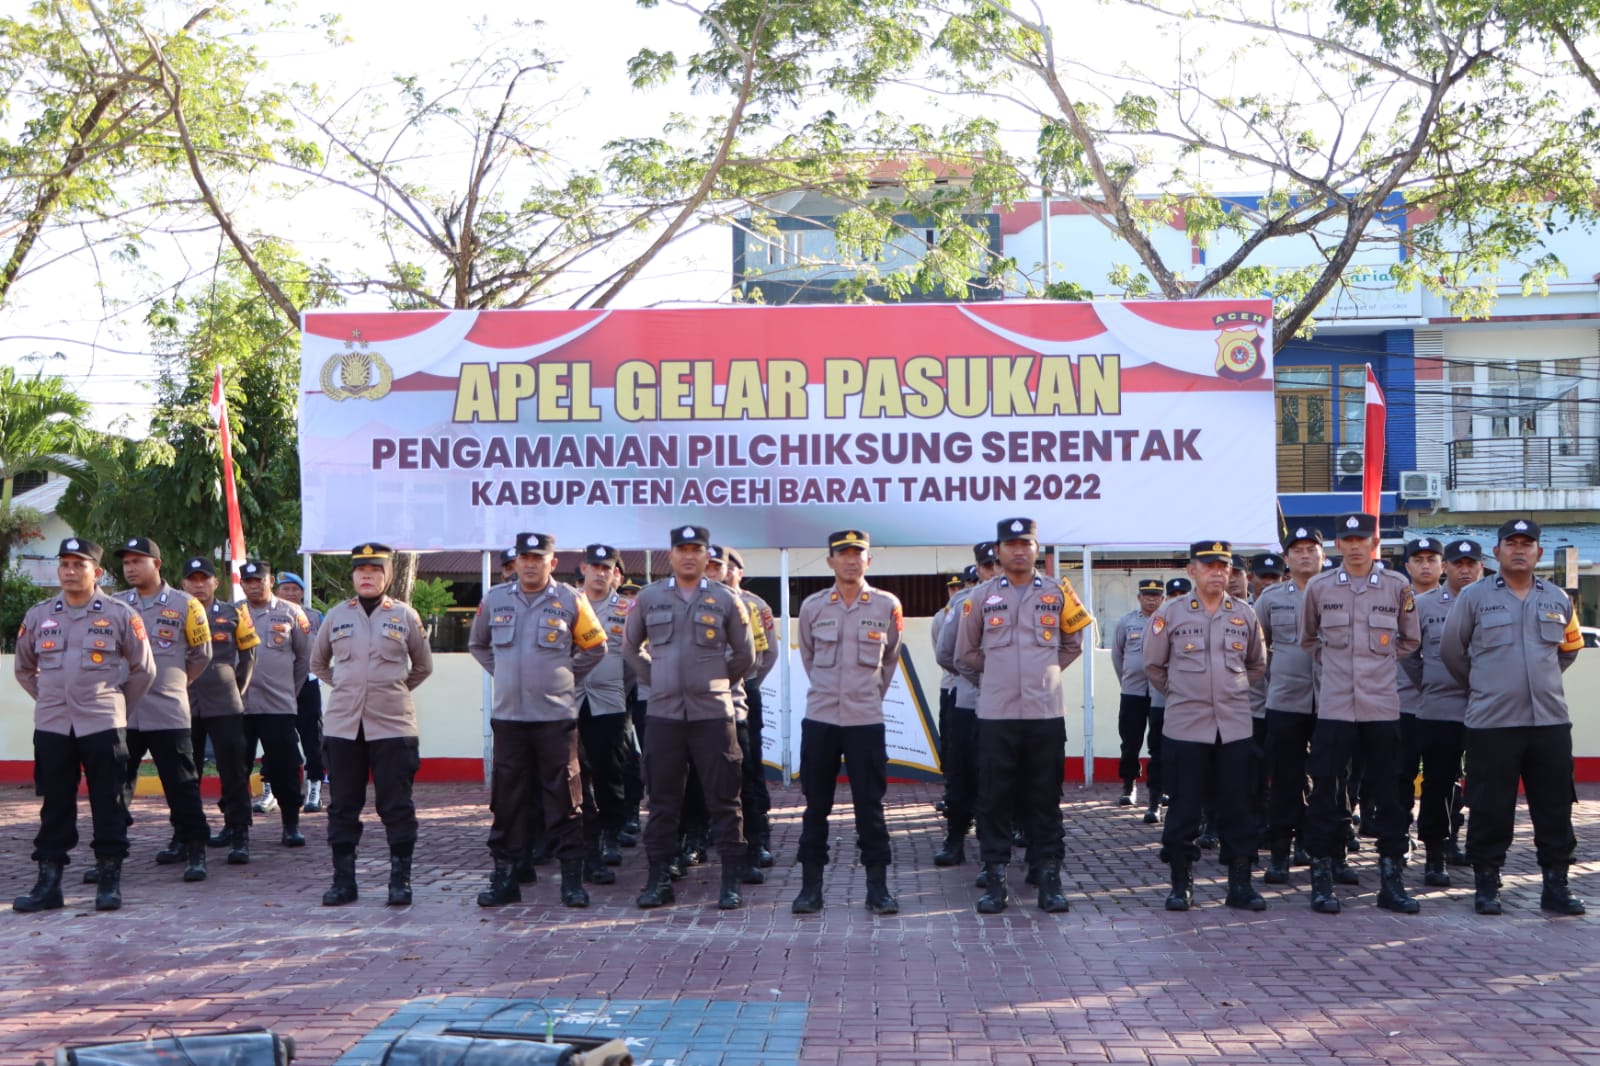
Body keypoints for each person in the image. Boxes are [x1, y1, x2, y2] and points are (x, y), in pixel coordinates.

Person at [1440, 518, 1585, 916]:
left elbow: (1569, 650)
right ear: (1498, 551)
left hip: (1550, 722)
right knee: (1490, 805)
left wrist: (1539, 682)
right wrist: (1489, 686)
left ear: (1538, 551)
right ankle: (1487, 885)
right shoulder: (1474, 597)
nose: (1519, 549)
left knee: (1555, 806)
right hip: (1492, 723)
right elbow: (1453, 652)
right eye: (1511, 543)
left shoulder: (1558, 598)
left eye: (1527, 543)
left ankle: (1556, 886)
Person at [955, 517, 1092, 914]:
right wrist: (999, 677)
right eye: (1010, 544)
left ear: (1037, 550)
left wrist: (1040, 673)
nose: (1018, 550)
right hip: (996, 714)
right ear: (997, 551)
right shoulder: (979, 598)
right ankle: (995, 879)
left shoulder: (1059, 593)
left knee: (1045, 798)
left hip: (1045, 712)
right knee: (994, 799)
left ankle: (1049, 876)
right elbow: (966, 653)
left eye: (1026, 543)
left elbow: (1073, 644)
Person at [13, 538, 156, 912]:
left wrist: (117, 705)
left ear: (98, 572)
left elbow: (144, 669)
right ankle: (49, 883)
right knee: (55, 804)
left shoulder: (121, 614)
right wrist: (49, 698)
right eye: (65, 564)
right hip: (53, 725)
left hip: (102, 722)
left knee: (107, 801)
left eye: (79, 565)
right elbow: (24, 669)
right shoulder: (39, 614)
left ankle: (108, 880)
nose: (71, 571)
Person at [469, 533, 607, 908]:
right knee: (507, 801)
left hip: (555, 719)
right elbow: (478, 644)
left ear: (553, 562)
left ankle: (572, 882)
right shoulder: (495, 599)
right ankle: (506, 878)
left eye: (538, 557)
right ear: (515, 562)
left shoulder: (570, 600)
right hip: (510, 719)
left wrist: (563, 674)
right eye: (524, 557)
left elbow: (596, 646)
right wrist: (504, 672)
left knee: (565, 796)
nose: (530, 564)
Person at [622, 524, 755, 910]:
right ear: (671, 555)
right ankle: (658, 879)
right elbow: (631, 648)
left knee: (725, 800)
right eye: (682, 549)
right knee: (662, 801)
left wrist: (713, 681)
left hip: (713, 713)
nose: (690, 555)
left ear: (706, 555)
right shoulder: (648, 598)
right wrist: (659, 679)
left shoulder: (727, 599)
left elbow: (745, 655)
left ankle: (730, 881)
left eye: (697, 549)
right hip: (663, 714)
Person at [1298, 512, 1422, 915]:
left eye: (1361, 539)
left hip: (1381, 707)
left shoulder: (1396, 585)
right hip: (1334, 707)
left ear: (1374, 542)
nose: (1354, 546)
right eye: (1347, 539)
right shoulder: (1318, 587)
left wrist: (1375, 664)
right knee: (1325, 794)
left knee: (1388, 795)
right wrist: (1338, 668)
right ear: (1337, 545)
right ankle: (1322, 878)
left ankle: (1391, 880)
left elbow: (1408, 640)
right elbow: (1309, 640)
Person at [1141, 540, 1268, 911]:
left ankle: (1240, 885)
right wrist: (1184, 694)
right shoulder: (1171, 613)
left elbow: (1257, 665)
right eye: (1209, 565)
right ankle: (1181, 884)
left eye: (1223, 566)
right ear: (1192, 570)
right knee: (1184, 807)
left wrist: (1228, 693)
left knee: (1238, 807)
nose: (1217, 572)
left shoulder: (1244, 614)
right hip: (1186, 728)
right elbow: (1153, 666)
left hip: (1234, 728)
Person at [310, 543, 434, 906]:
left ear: (388, 575)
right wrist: (350, 687)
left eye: (375, 570)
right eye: (361, 570)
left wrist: (390, 689)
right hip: (343, 726)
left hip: (393, 726)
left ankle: (400, 881)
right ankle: (343, 881)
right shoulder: (335, 616)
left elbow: (423, 666)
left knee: (396, 805)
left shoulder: (405, 616)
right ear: (352, 575)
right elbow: (319, 664)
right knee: (343, 805)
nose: (367, 576)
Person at [791, 530, 905, 915]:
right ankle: (810, 888)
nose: (851, 561)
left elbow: (889, 660)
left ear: (868, 561)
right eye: (843, 554)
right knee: (815, 806)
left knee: (870, 806)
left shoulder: (888, 605)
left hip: (865, 721)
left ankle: (878, 888)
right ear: (830, 562)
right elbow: (807, 655)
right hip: (821, 719)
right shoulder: (813, 606)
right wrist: (830, 691)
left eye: (859, 554)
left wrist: (867, 695)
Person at [112, 537, 213, 886]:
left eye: (137, 561)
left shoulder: (187, 605)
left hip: (168, 710)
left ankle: (194, 849)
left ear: (157, 563)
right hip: (125, 710)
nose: (130, 567)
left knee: (181, 784)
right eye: (126, 562)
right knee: (115, 786)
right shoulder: (115, 605)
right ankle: (111, 856)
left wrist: (175, 684)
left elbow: (201, 655)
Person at [1402, 538, 1481, 888]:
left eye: (1471, 564)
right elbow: (1408, 655)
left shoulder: (1494, 602)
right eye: (1457, 563)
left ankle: (1475, 850)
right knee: (1437, 783)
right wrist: (1432, 683)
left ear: (1481, 567)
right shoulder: (1421, 605)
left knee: (1485, 785)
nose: (1464, 569)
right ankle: (1435, 854)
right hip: (1440, 708)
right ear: (1446, 567)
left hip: (1487, 708)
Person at [1255, 527, 1323, 884]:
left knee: (1328, 780)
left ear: (1323, 554)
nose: (1305, 555)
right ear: (1286, 559)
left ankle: (1315, 848)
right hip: (1284, 700)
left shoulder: (1336, 592)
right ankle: (1280, 853)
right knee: (1285, 779)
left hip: (1331, 701)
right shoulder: (1269, 599)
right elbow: (1256, 650)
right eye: (1297, 550)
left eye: (1312, 548)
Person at [181, 557, 260, 865]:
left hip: (225, 700)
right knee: (186, 774)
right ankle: (183, 836)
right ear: (184, 583)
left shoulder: (234, 613)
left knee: (234, 771)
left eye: (204, 579)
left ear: (216, 582)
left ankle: (239, 832)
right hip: (185, 701)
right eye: (192, 579)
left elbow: (249, 656)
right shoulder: (174, 613)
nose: (198, 585)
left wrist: (236, 688)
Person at [932, 545, 998, 866]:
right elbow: (946, 654)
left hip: (1014, 708)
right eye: (987, 566)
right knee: (962, 775)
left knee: (1008, 777)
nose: (994, 571)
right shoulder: (964, 604)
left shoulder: (1029, 601)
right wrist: (983, 679)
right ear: (978, 568)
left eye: (998, 564)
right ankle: (955, 838)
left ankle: (1003, 846)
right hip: (970, 703)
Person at [239, 559, 312, 845]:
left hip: (278, 706)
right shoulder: (233, 614)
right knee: (235, 769)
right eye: (248, 581)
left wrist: (287, 691)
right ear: (242, 584)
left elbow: (304, 659)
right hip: (240, 707)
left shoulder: (292, 612)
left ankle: (290, 824)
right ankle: (237, 827)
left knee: (284, 767)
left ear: (270, 582)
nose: (254, 585)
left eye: (259, 580)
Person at [574, 542, 634, 884]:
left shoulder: (627, 609)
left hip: (610, 701)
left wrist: (617, 691)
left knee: (611, 773)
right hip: (570, 699)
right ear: (583, 569)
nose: (600, 573)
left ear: (615, 574)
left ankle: (611, 834)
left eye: (607, 568)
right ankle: (582, 838)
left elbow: (634, 662)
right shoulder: (567, 602)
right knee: (573, 775)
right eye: (594, 567)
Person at [275, 572, 327, 814]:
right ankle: (270, 790)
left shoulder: (316, 617)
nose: (290, 593)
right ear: (277, 592)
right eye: (285, 589)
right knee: (276, 739)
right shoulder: (268, 615)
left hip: (307, 684)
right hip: (278, 684)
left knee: (311, 738)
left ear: (303, 592)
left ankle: (314, 787)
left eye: (295, 589)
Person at [1112, 579, 1164, 811]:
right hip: (1133, 691)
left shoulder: (1168, 620)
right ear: (1139, 597)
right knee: (1130, 742)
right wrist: (1126, 679)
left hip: (1160, 693)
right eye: (1147, 595)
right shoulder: (1126, 622)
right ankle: (1128, 786)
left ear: (1162, 598)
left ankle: (1160, 790)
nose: (1151, 599)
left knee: (1159, 744)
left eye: (1155, 595)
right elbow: (1117, 655)